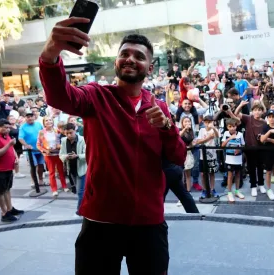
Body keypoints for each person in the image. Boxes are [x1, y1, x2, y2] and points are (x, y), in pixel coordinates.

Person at [39, 17, 186, 275]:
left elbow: (178, 157)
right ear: (116, 62)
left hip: (148, 223)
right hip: (100, 222)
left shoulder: (159, 108)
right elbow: (60, 95)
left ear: (149, 68)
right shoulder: (96, 96)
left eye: (138, 56)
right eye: (124, 54)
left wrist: (167, 127)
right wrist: (51, 52)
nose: (130, 59)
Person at [0, 119, 24, 223]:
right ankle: (4, 213)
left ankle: (10, 209)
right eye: (5, 128)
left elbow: (11, 149)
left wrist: (15, 158)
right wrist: (9, 144)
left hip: (7, 168)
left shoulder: (6, 135)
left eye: (9, 128)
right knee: (0, 191)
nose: (7, 130)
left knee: (7, 189)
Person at [37, 117, 69, 197]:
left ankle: (64, 186)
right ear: (44, 123)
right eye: (46, 120)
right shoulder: (41, 132)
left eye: (50, 120)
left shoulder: (57, 130)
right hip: (48, 155)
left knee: (61, 171)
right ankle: (54, 189)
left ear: (53, 121)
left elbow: (63, 138)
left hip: (58, 153)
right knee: (51, 172)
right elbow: (38, 145)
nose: (48, 122)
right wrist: (44, 150)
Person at [60, 123, 87, 214]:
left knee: (80, 191)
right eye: (66, 133)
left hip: (81, 169)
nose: (68, 135)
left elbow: (87, 154)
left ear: (75, 130)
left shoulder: (82, 140)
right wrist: (66, 157)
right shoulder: (64, 140)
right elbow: (61, 154)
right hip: (71, 169)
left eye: (70, 133)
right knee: (80, 190)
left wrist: (77, 156)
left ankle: (80, 210)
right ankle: (85, 206)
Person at [19, 110, 46, 187]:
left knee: (41, 165)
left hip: (40, 149)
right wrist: (26, 145)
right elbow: (20, 138)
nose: (30, 118)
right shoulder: (23, 127)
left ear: (34, 117)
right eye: (28, 117)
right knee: (33, 166)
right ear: (25, 118)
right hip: (31, 151)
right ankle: (34, 181)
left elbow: (44, 133)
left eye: (31, 116)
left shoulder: (38, 124)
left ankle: (41, 180)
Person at [221, 118, 246, 202]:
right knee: (230, 175)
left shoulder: (240, 134)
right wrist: (229, 138)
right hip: (229, 159)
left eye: (234, 126)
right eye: (230, 126)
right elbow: (222, 145)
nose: (232, 128)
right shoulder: (225, 133)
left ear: (236, 126)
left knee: (238, 175)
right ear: (227, 127)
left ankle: (237, 191)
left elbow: (243, 145)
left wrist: (239, 149)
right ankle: (229, 192)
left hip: (238, 159)